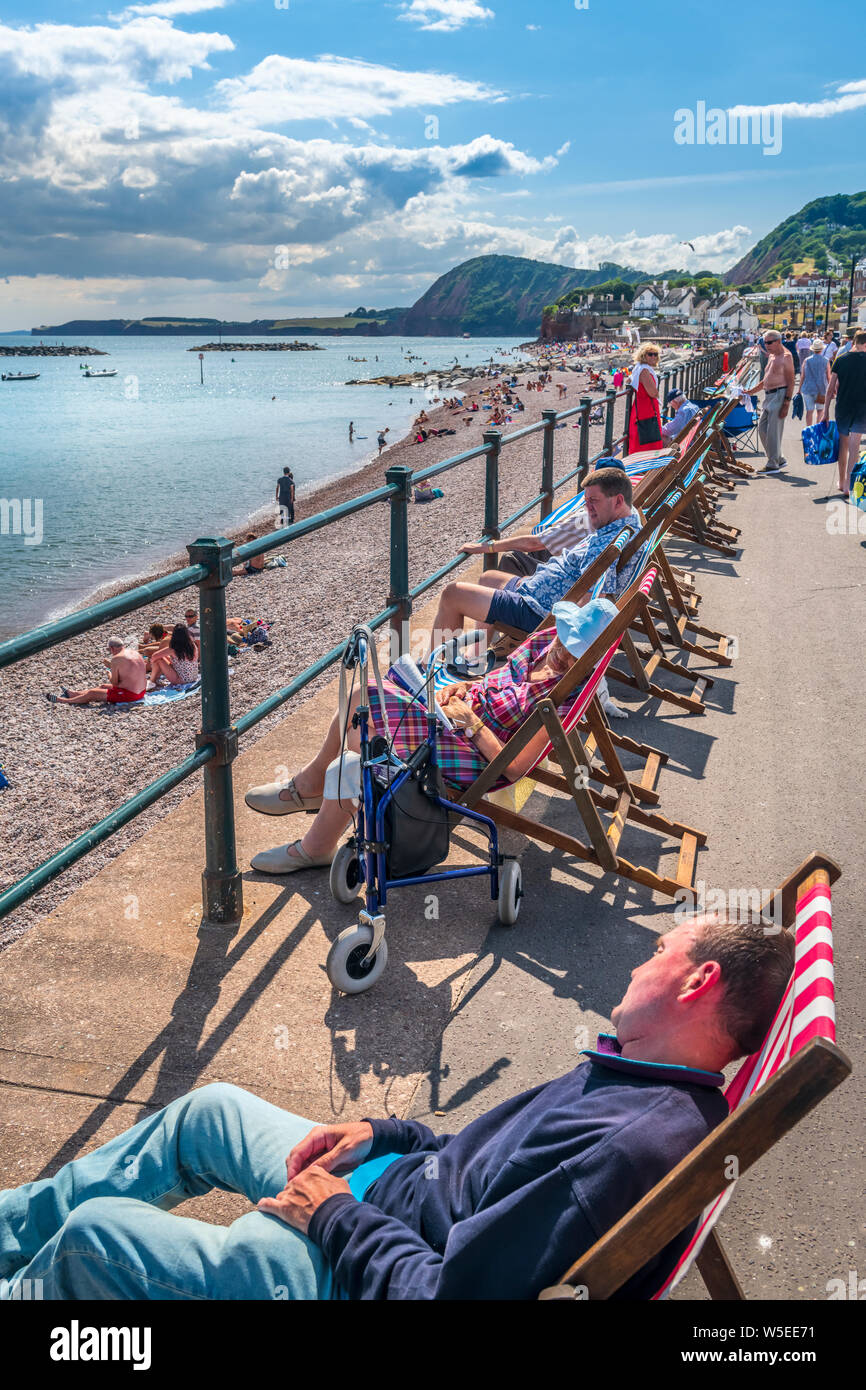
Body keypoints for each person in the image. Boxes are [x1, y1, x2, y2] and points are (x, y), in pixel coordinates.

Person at [0, 910, 795, 1300]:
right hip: (385, 1194)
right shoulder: (646, 1082)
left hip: (348, 1269)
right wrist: (382, 1129)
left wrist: (333, 1213)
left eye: (660, 950)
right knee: (205, 1111)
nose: (638, 960)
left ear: (698, 984)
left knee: (96, 1241)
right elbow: (482, 1164)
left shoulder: (623, 1147)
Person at [424, 468, 642, 654]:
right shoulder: (630, 525)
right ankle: (475, 657)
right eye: (586, 502)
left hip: (538, 611)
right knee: (488, 577)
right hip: (539, 593)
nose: (588, 508)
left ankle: (430, 675)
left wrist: (563, 648)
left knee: (452, 594)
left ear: (618, 500)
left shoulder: (605, 545)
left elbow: (593, 600)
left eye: (593, 501)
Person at [821, 329, 866, 498]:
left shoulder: (841, 359)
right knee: (855, 446)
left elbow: (831, 387)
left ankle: (841, 483)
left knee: (843, 445)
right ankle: (850, 484)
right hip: (862, 407)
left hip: (843, 407)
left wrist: (825, 411)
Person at [47, 638, 147, 706]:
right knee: (103, 686)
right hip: (141, 690)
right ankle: (75, 694)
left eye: (109, 650)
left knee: (92, 693)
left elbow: (115, 683)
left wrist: (110, 673)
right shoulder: (134, 653)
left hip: (131, 695)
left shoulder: (116, 658)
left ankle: (65, 701)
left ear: (112, 648)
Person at [754, 329, 794, 474]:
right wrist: (750, 392)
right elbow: (766, 379)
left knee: (773, 432)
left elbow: (790, 381)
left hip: (779, 394)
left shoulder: (786, 357)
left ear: (778, 341)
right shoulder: (772, 356)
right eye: (765, 342)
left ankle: (772, 464)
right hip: (769, 395)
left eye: (769, 342)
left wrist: (786, 404)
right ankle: (779, 459)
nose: (766, 345)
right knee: (762, 429)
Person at [627, 343, 663, 454]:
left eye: (655, 354)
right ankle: (647, 469)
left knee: (642, 439)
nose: (653, 357)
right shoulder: (644, 371)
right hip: (646, 410)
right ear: (643, 356)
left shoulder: (638, 368)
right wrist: (657, 393)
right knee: (649, 442)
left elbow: (629, 381)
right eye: (650, 354)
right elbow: (653, 393)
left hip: (642, 407)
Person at [800, 339, 830, 427]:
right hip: (821, 389)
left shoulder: (807, 360)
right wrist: (832, 389)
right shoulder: (826, 360)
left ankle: (809, 429)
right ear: (822, 349)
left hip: (808, 388)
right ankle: (817, 428)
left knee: (809, 411)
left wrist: (799, 389)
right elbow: (828, 376)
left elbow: (803, 375)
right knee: (820, 411)